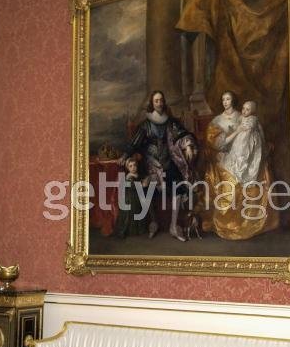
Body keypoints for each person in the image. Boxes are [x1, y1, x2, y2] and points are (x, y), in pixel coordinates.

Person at [119, 91, 198, 241]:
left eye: (161, 100)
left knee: (179, 188)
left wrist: (188, 145)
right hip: (151, 164)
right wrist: (125, 155)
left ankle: (174, 226)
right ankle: (153, 222)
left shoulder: (171, 122)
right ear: (152, 103)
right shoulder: (146, 124)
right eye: (156, 101)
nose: (159, 103)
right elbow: (134, 143)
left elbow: (183, 134)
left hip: (169, 162)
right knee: (146, 187)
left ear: (164, 102)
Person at [202, 91, 279, 240]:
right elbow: (218, 144)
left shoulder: (243, 116)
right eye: (223, 99)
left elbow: (256, 135)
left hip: (245, 154)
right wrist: (236, 133)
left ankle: (248, 223)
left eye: (228, 99)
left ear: (233, 101)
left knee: (259, 171)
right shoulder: (217, 121)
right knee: (230, 177)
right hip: (226, 154)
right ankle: (229, 222)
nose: (225, 102)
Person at [223, 101, 265, 186]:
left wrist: (244, 128)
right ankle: (237, 175)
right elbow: (237, 124)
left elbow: (253, 128)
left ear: (252, 112)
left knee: (246, 156)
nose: (244, 111)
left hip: (249, 140)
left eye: (247, 110)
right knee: (237, 153)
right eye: (243, 108)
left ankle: (244, 177)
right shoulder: (241, 117)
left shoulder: (253, 119)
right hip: (240, 139)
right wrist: (235, 127)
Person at [114, 157, 149, 239]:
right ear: (127, 168)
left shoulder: (137, 175)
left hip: (135, 197)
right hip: (129, 198)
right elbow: (135, 186)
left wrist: (145, 181)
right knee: (130, 213)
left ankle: (138, 229)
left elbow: (142, 182)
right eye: (130, 166)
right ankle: (129, 230)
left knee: (139, 209)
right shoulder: (129, 177)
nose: (133, 168)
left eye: (134, 165)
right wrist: (143, 183)